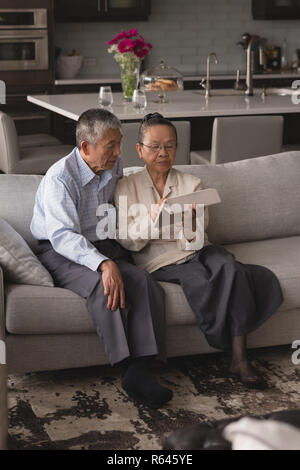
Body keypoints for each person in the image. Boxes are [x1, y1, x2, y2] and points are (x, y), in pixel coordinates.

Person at [114, 112, 283, 388]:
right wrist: (155, 218)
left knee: (231, 268)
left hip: (196, 250)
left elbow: (196, 239)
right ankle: (225, 344)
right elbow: (129, 240)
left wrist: (190, 222)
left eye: (169, 146)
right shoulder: (125, 187)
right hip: (160, 260)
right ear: (140, 150)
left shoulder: (192, 185)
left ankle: (239, 359)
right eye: (155, 146)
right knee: (201, 281)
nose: (163, 153)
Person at [30, 108, 173, 409]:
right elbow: (62, 236)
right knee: (102, 284)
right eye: (111, 146)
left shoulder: (113, 165)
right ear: (85, 147)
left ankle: (143, 366)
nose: (119, 153)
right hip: (59, 249)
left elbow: (115, 205)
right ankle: (125, 366)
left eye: (119, 143)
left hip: (101, 242)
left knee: (142, 281)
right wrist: (103, 264)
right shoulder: (60, 179)